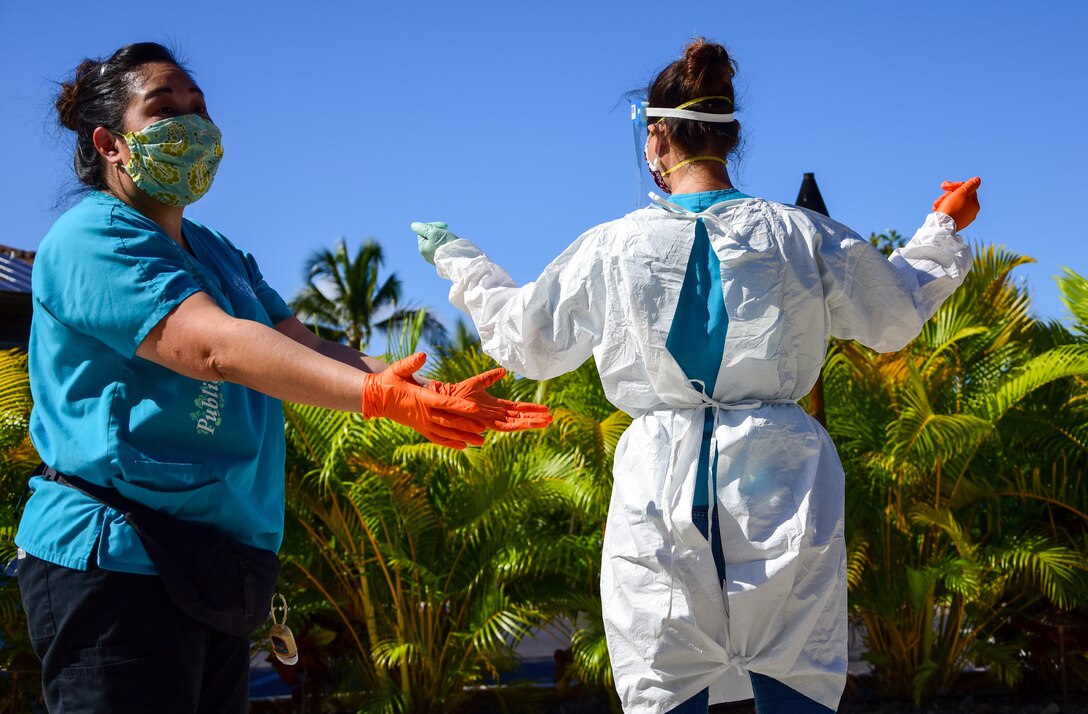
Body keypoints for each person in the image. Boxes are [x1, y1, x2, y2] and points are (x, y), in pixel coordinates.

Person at [411, 38, 979, 714]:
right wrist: (942, 225)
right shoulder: (800, 233)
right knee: (792, 679)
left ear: (658, 139)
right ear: (729, 135)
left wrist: (460, 260)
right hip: (780, 481)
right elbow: (894, 311)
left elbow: (526, 341)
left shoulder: (613, 246)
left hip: (660, 482)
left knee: (664, 681)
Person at [16, 42, 551, 714]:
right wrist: (372, 397)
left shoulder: (215, 251)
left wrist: (416, 387)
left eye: (198, 108)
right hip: (118, 561)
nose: (192, 125)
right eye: (163, 110)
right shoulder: (92, 237)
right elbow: (213, 347)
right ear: (111, 144)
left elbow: (299, 343)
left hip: (208, 567)